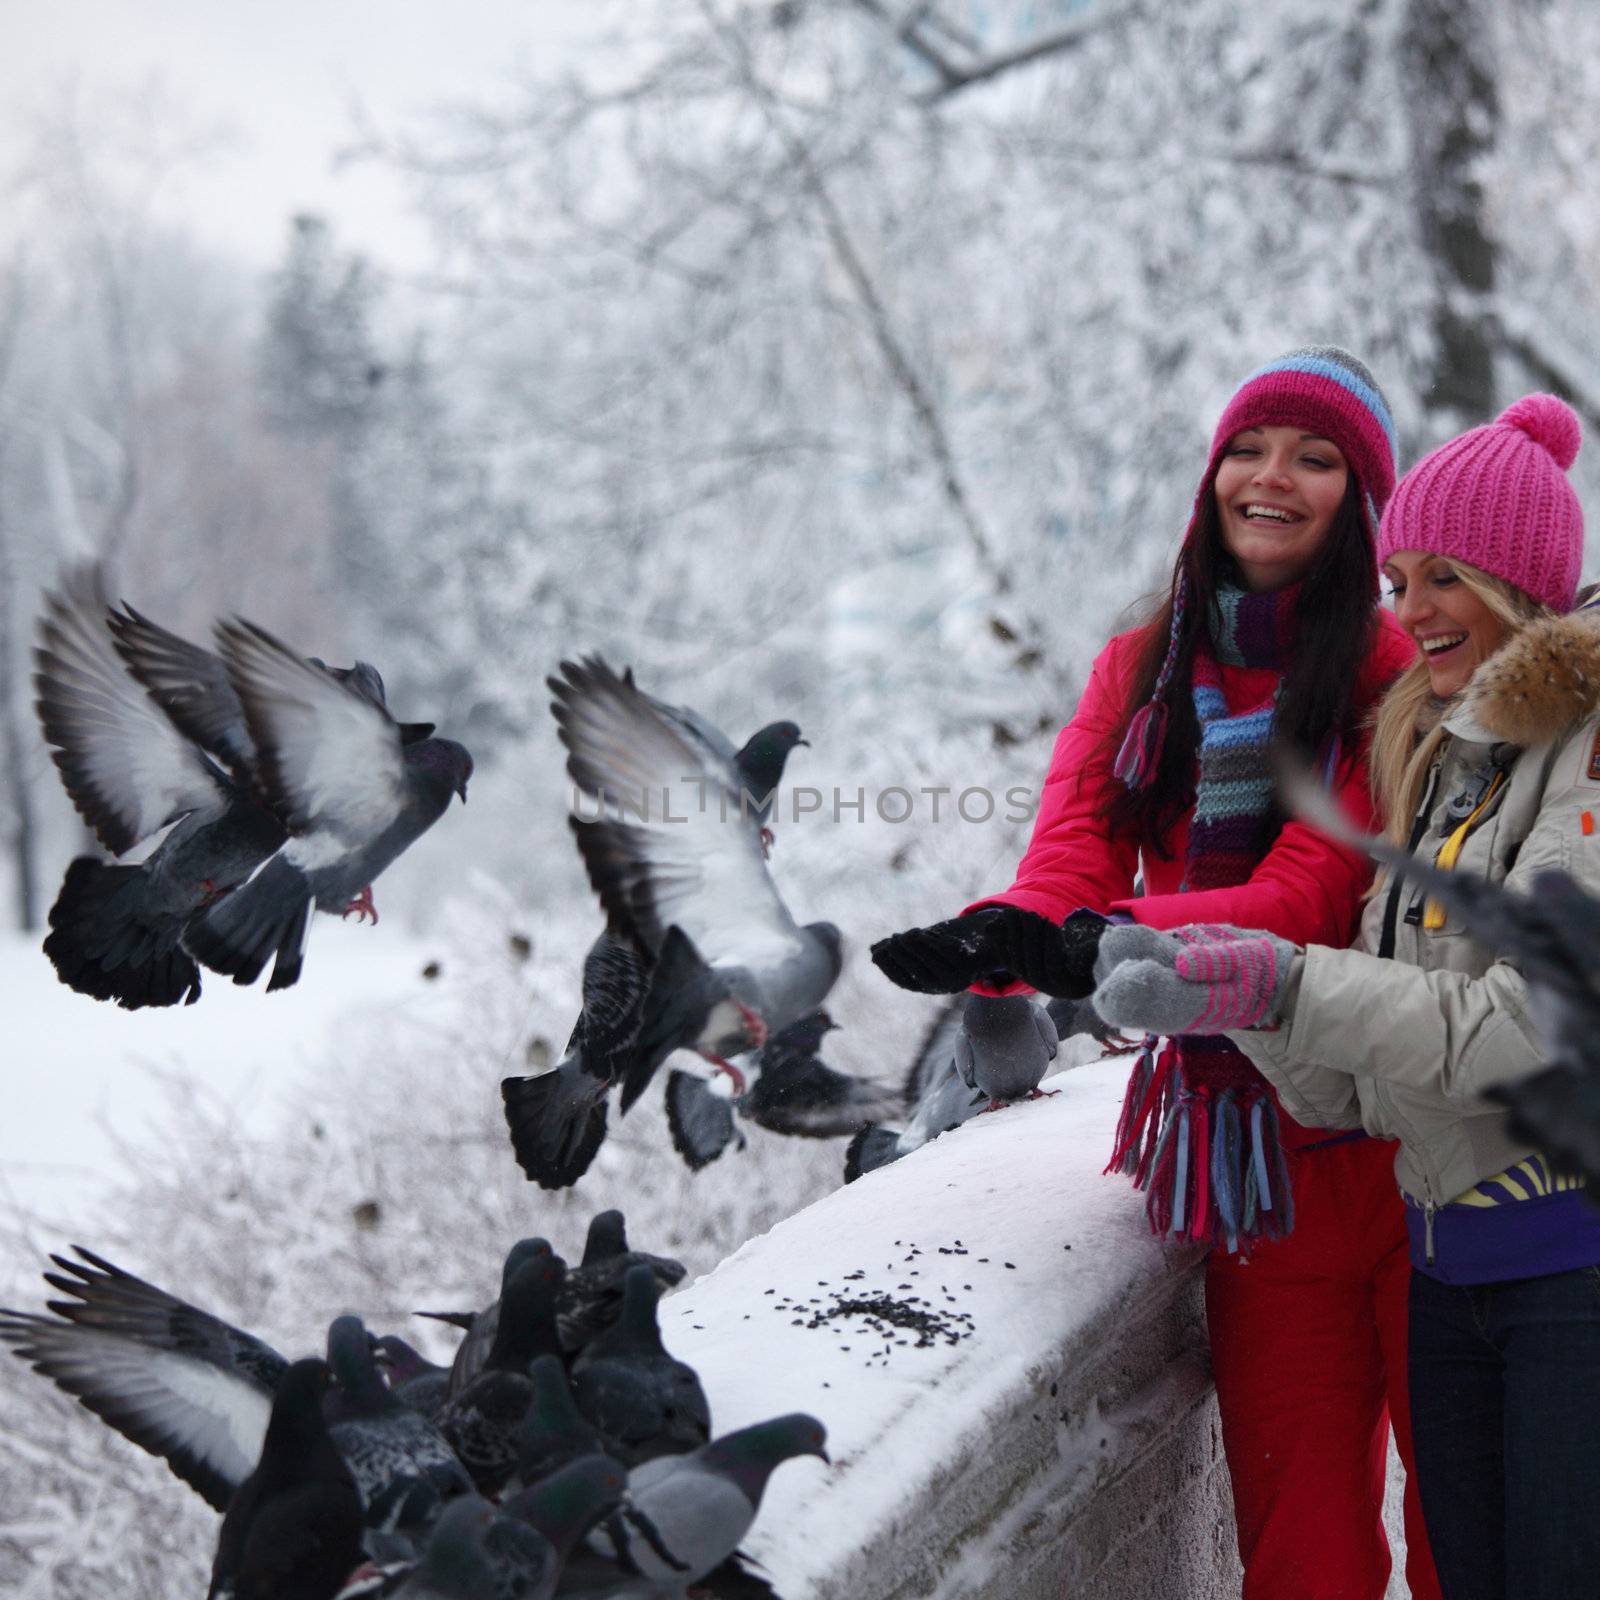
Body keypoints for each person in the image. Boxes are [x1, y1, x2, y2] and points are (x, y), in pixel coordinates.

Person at [872, 348, 1441, 1600]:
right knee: (1299, 1543)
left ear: (1361, 499)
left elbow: (1310, 891)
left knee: (1469, 1529)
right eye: (1248, 447)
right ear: (1210, 473)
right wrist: (1014, 933)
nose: (1269, 476)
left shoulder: (1392, 678)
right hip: (1253, 1162)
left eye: (1314, 456)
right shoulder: (1135, 671)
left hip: (1404, 1148)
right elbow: (1074, 843)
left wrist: (1111, 939)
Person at [1090, 393, 1600, 1600]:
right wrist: (1233, 1000)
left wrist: (1286, 975)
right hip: (1454, 1277)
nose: (1407, 609)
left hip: (1570, 1288)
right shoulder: (1441, 764)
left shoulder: (1584, 755)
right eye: (1397, 577)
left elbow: (1527, 1030)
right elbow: (1366, 1085)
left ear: (1520, 586)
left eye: (1441, 579)